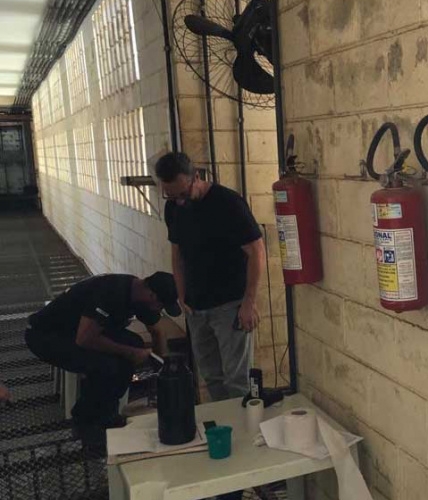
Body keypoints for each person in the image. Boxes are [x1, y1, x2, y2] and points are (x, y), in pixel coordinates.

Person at [156, 152, 265, 401]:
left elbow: (257, 252)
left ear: (196, 177)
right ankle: (226, 422)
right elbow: (177, 254)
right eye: (170, 195)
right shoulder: (173, 207)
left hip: (230, 305)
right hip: (195, 308)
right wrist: (181, 295)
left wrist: (249, 302)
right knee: (211, 376)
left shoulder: (228, 203)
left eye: (183, 194)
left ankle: (244, 423)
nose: (179, 201)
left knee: (237, 378)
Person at [25, 272, 181, 429]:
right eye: (161, 306)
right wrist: (131, 353)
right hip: (46, 336)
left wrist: (163, 369)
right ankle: (86, 422)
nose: (159, 310)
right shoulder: (112, 291)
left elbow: (157, 331)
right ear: (152, 295)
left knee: (135, 343)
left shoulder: (141, 297)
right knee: (107, 365)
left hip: (77, 331)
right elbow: (85, 339)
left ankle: (108, 412)